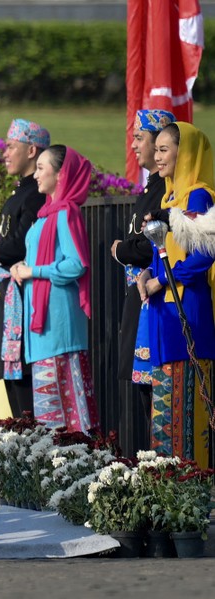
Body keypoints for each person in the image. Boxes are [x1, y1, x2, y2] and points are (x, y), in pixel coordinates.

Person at [138, 122, 215, 467]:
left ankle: (192, 491)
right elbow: (163, 255)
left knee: (187, 408)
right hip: (162, 313)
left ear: (185, 154)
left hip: (187, 310)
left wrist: (164, 282)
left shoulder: (199, 196)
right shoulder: (169, 198)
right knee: (165, 406)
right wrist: (148, 275)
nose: (158, 156)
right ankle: (166, 492)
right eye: (157, 150)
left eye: (164, 149)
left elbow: (205, 252)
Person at [10, 144, 99, 433]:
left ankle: (76, 465)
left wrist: (33, 271)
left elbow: (77, 264)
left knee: (68, 412)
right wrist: (23, 265)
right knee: (49, 413)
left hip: (59, 326)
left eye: (41, 168)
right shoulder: (46, 215)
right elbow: (42, 259)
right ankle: (58, 469)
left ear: (61, 175)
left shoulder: (65, 213)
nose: (35, 174)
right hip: (43, 326)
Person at [109, 109, 174, 444]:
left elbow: (149, 244)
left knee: (157, 396)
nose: (133, 145)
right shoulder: (151, 188)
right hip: (141, 298)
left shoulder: (167, 190)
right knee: (144, 393)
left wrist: (121, 250)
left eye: (140, 137)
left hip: (157, 301)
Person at [0, 119, 50, 418]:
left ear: (32, 150)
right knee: (13, 387)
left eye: (11, 147)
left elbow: (18, 247)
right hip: (8, 296)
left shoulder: (35, 196)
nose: (5, 154)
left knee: (25, 391)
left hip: (25, 301)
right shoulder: (19, 194)